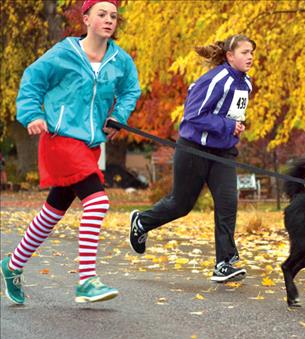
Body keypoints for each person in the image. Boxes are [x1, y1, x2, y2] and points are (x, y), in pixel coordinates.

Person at [0, 0, 140, 304]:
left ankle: (12, 266)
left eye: (113, 16)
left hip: (89, 143)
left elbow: (131, 90)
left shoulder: (120, 59)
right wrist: (31, 114)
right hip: (59, 138)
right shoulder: (64, 53)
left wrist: (119, 116)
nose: (108, 20)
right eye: (101, 14)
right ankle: (87, 280)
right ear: (86, 18)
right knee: (98, 201)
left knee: (53, 212)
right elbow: (32, 81)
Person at [129, 34, 255, 282]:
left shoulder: (246, 84)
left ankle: (224, 263)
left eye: (252, 52)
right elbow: (193, 115)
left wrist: (236, 127)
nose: (250, 57)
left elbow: (230, 116)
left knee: (228, 204)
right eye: (244, 52)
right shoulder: (216, 79)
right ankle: (142, 222)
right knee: (181, 204)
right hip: (194, 149)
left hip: (224, 153)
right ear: (230, 56)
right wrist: (228, 125)